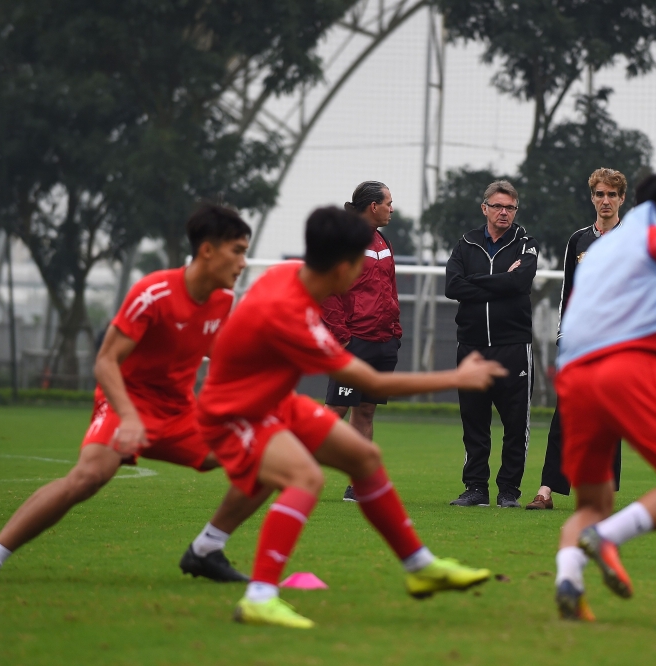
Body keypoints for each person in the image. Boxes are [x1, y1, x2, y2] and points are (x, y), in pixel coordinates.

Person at [197, 206, 506, 629]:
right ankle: (260, 596)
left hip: (273, 405)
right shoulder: (287, 314)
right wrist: (457, 376)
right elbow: (371, 383)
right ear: (344, 267)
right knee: (304, 478)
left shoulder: (290, 276)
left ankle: (419, 566)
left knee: (362, 457)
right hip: (235, 414)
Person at [0, 204, 267, 585]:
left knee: (266, 459)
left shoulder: (222, 300)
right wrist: (129, 417)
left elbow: (219, 351)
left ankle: (206, 550)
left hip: (179, 412)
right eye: (238, 250)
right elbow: (106, 361)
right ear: (207, 250)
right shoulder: (154, 292)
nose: (243, 262)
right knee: (89, 477)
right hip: (125, 402)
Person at [552, 174, 656, 621]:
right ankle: (608, 538)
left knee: (590, 504)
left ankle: (568, 576)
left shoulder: (600, 249)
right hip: (625, 368)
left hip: (573, 377)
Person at [526, 167, 625, 511]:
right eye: (600, 194)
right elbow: (568, 291)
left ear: (621, 198)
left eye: (612, 194)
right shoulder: (577, 240)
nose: (605, 200)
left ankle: (602, 492)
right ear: (592, 198)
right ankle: (546, 490)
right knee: (565, 415)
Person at [445, 180, 540, 508]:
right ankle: (475, 488)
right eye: (498, 206)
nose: (504, 212)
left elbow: (520, 281)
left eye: (510, 207)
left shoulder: (525, 243)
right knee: (474, 421)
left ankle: (508, 491)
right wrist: (502, 283)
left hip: (513, 347)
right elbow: (452, 287)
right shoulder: (466, 243)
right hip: (471, 347)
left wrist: (478, 283)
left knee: (515, 423)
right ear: (484, 207)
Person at [321, 181, 401, 502]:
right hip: (355, 341)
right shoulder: (343, 241)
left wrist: (395, 331)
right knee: (334, 410)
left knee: (365, 411)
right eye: (388, 203)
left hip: (383, 341)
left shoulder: (382, 240)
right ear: (373, 206)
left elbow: (389, 288)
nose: (392, 209)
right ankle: (286, 464)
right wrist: (343, 337)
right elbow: (329, 292)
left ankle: (359, 484)